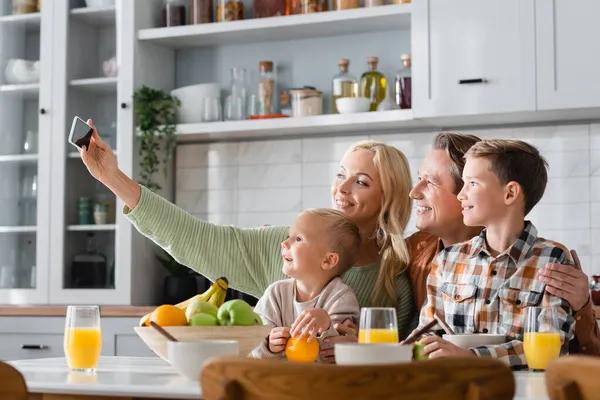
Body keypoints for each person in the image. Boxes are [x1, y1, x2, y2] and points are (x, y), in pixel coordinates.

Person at [79, 119, 417, 361]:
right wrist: (112, 176)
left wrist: (367, 350)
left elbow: (406, 360)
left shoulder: (394, 278)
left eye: (361, 182)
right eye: (341, 175)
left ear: (388, 197)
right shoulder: (286, 248)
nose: (341, 189)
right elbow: (193, 238)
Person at [407, 132, 599, 356]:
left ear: (510, 193)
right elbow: (426, 333)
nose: (461, 194)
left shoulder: (551, 259)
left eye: (472, 184)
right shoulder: (447, 260)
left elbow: (550, 346)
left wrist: (474, 358)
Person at [251, 208, 361, 362]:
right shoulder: (275, 293)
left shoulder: (341, 297)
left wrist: (327, 326)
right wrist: (269, 345)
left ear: (328, 260)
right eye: (289, 236)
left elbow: (337, 355)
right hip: (277, 381)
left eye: (298, 239)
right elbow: (252, 347)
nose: (284, 243)